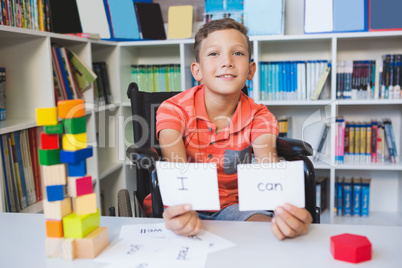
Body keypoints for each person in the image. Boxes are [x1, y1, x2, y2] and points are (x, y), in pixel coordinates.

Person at [155, 18, 312, 240]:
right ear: (197, 71)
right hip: (187, 202)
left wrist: (285, 216)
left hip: (237, 207)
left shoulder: (260, 116)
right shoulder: (173, 109)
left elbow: (268, 166)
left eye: (237, 53)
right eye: (213, 54)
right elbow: (177, 170)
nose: (227, 61)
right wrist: (183, 211)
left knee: (272, 233)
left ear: (250, 70)